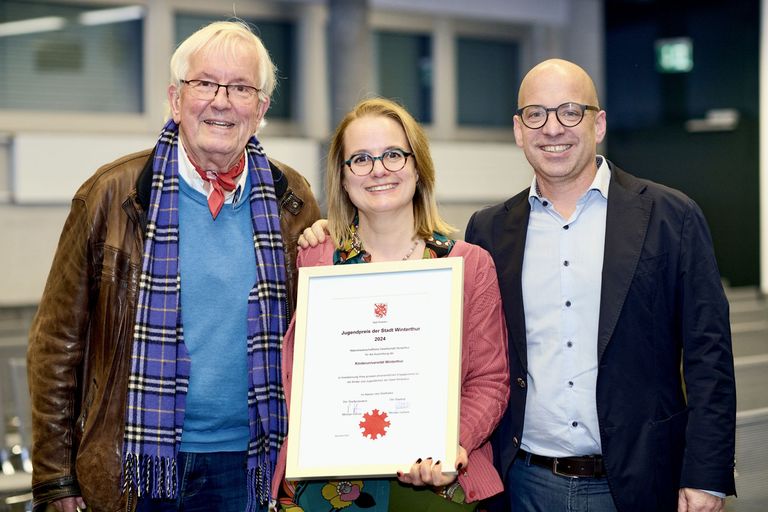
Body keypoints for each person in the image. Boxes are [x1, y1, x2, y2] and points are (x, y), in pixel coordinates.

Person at [27, 20, 320, 512]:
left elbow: (313, 331)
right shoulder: (111, 193)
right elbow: (57, 344)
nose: (222, 101)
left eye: (242, 88)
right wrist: (56, 478)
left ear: (262, 108)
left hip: (251, 463)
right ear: (175, 98)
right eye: (205, 83)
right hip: (135, 464)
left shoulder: (292, 197)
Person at [464, 59, 736, 512]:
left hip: (641, 481)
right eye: (536, 114)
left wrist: (706, 475)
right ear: (518, 129)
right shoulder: (489, 230)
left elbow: (710, 354)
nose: (553, 128)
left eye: (570, 111)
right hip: (523, 483)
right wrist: (331, 232)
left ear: (599, 123)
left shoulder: (672, 216)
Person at [275, 98, 510, 511]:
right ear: (344, 178)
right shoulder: (316, 258)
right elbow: (301, 374)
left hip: (433, 487)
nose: (379, 169)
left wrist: (451, 445)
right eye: (361, 159)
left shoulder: (469, 265)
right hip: (326, 488)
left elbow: (490, 381)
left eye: (393, 155)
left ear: (418, 168)